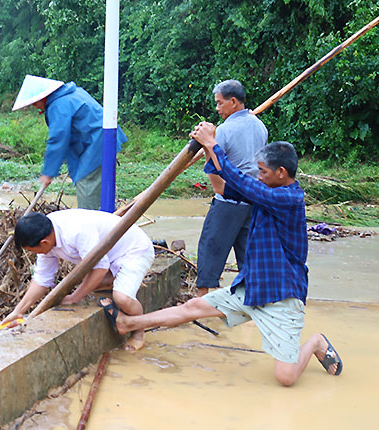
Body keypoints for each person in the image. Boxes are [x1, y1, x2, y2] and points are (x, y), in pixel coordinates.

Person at [101, 127, 343, 386]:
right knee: (192, 308)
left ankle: (316, 341)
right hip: (253, 287)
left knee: (286, 378)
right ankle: (128, 324)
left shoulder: (287, 198)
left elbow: (243, 182)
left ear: (281, 173)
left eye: (263, 171)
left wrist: (213, 144)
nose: (259, 176)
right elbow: (227, 188)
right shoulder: (268, 192)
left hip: (281, 296)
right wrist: (207, 150)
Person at [1, 209, 154, 351]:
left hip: (133, 250)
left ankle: (138, 333)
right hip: (107, 258)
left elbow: (99, 268)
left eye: (31, 251)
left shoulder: (77, 232)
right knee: (93, 285)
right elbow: (42, 279)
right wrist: (18, 311)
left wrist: (75, 297)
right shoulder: (46, 236)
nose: (34, 254)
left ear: (44, 243)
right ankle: (111, 279)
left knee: (122, 298)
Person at [195, 80, 268, 297]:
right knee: (247, 250)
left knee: (211, 246)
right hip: (254, 198)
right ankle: (251, 298)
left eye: (219, 103)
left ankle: (202, 298)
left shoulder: (225, 131)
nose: (217, 109)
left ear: (233, 101)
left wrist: (207, 143)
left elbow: (216, 166)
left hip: (229, 199)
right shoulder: (260, 125)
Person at [12, 75, 127, 210]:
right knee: (101, 193)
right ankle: (109, 221)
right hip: (101, 142)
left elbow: (58, 139)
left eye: (34, 102)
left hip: (97, 145)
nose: (34, 106)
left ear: (42, 97)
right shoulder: (72, 93)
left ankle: (92, 226)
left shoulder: (59, 105)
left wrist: (48, 172)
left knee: (87, 186)